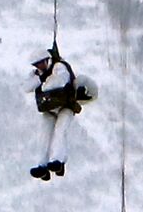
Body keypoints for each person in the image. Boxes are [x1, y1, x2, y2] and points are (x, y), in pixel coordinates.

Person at [26, 46, 97, 180]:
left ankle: (58, 160)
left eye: (40, 63)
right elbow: (26, 87)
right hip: (49, 108)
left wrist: (44, 84)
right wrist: (40, 80)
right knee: (44, 136)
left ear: (47, 60)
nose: (39, 66)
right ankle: (42, 165)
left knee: (60, 131)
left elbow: (60, 80)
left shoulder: (59, 67)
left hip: (65, 105)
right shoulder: (37, 74)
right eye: (36, 64)